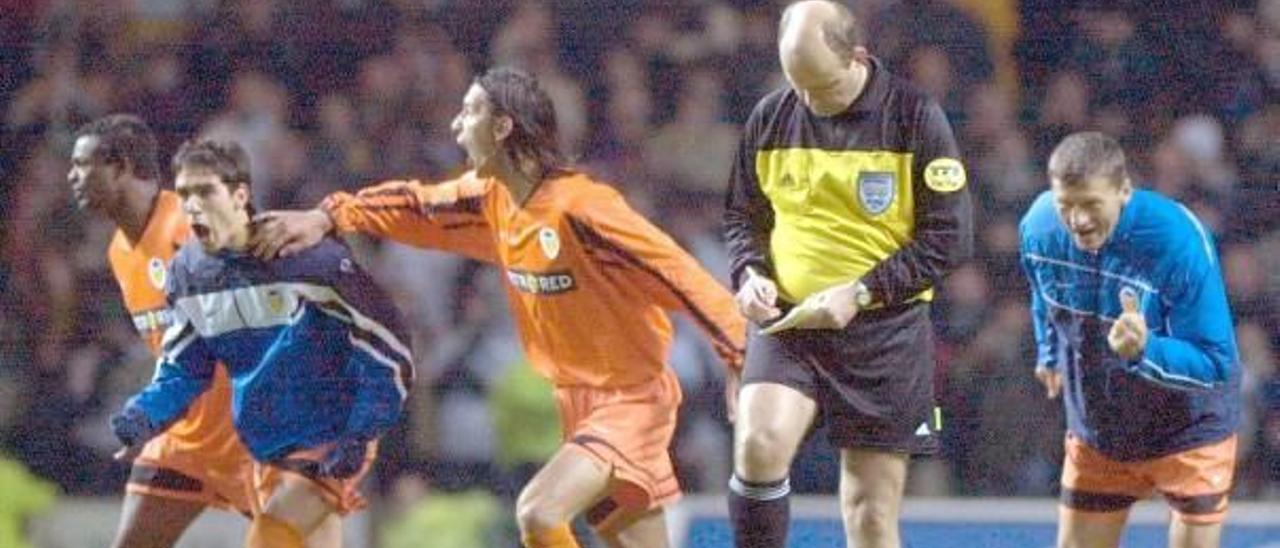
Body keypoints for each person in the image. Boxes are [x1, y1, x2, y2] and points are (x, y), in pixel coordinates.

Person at [249, 66, 746, 548]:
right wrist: (327, 216)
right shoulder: (493, 202)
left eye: (469, 113)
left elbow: (677, 271)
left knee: (539, 513)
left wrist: (738, 353)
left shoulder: (583, 209)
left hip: (629, 401)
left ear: (504, 126)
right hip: (577, 401)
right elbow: (415, 205)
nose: (456, 125)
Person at [722, 2, 973, 547]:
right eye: (799, 86)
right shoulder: (771, 116)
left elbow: (949, 238)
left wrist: (863, 292)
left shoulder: (913, 117)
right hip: (790, 322)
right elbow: (743, 217)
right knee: (758, 444)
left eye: (823, 85)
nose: (811, 101)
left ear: (858, 56)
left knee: (869, 515)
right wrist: (749, 274)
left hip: (884, 331)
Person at [110, 140, 415, 548]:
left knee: (270, 537)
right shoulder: (190, 272)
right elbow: (186, 367)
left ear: (240, 195)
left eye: (205, 192)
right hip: (265, 442)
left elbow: (389, 345)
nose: (193, 205)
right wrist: (146, 413)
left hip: (328, 434)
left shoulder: (305, 257)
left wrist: (360, 431)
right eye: (184, 194)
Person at [1020, 131, 1240, 548]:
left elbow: (1217, 361)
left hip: (1188, 431)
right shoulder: (1039, 228)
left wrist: (1145, 350)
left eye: (1091, 204)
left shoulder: (1176, 240)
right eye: (1066, 205)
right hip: (1102, 430)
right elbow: (1042, 292)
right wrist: (1048, 352)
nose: (1077, 220)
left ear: (1124, 191)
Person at [68, 114, 256, 548]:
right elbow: (173, 352)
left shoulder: (190, 224)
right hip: (186, 441)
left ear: (121, 167)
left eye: (82, 165)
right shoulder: (119, 251)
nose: (72, 176)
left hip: (252, 438)